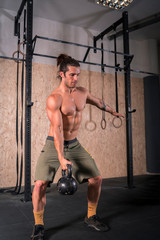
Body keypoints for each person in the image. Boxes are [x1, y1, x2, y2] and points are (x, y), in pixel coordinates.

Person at [31, 54, 124, 240]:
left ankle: (90, 216)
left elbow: (98, 102)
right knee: (40, 184)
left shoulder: (82, 92)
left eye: (78, 75)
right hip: (53, 143)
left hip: (74, 144)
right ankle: (39, 225)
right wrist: (60, 156)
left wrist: (112, 111)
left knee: (96, 178)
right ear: (62, 74)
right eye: (72, 75)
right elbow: (57, 129)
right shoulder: (54, 98)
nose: (76, 78)